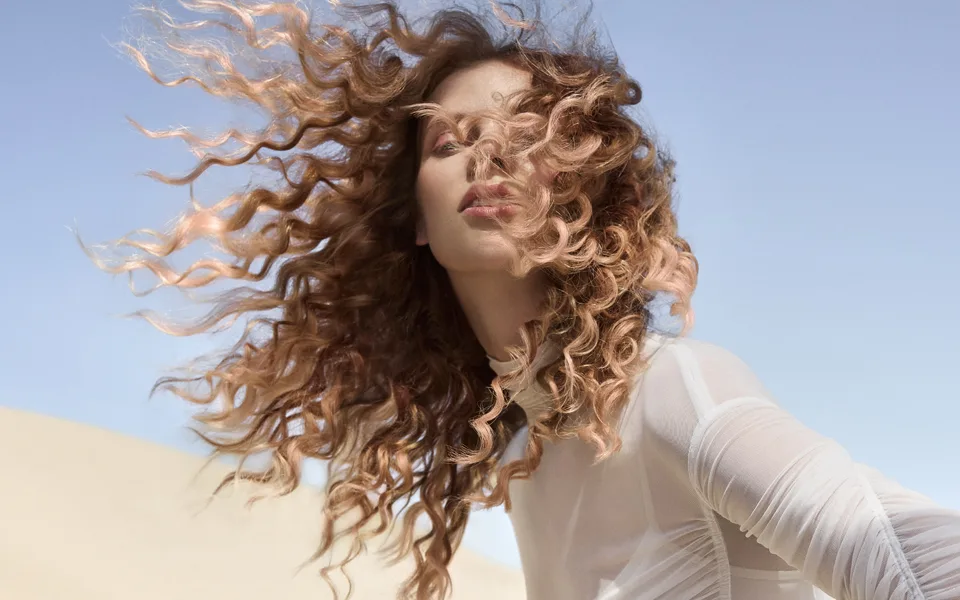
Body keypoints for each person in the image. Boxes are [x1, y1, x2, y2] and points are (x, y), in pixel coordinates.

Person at [89, 1, 960, 598]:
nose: (489, 157)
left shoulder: (673, 390)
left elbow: (915, 565)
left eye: (526, 134)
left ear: (577, 187)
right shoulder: (529, 474)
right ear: (417, 221)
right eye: (449, 142)